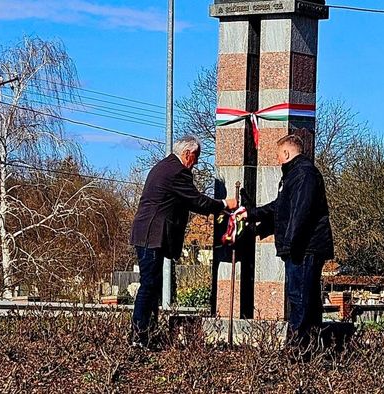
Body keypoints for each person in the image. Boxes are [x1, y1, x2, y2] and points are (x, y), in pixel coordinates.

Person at [130, 135, 238, 348]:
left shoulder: (163, 167)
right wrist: (225, 203)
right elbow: (195, 201)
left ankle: (146, 334)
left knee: (152, 285)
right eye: (195, 157)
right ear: (188, 154)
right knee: (149, 285)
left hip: (146, 233)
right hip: (153, 235)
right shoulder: (178, 172)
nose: (196, 162)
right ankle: (139, 336)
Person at [243, 134, 334, 349]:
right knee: (304, 298)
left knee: (300, 299)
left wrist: (291, 244)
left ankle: (297, 350)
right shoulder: (295, 175)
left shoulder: (303, 174)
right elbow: (279, 208)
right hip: (301, 247)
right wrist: (252, 214)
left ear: (286, 153)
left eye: (278, 155)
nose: (277, 161)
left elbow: (300, 212)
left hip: (304, 248)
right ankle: (309, 347)